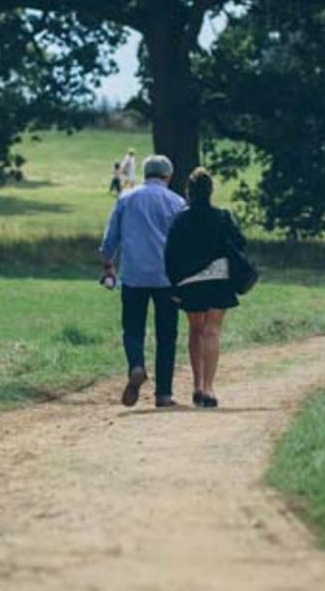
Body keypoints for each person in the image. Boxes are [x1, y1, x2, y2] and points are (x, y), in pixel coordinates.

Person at [99, 155, 186, 408]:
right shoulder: (177, 202)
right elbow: (182, 243)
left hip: (134, 275)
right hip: (167, 278)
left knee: (133, 328)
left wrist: (108, 265)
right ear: (167, 176)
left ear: (146, 174)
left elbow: (110, 238)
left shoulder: (125, 198)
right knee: (166, 335)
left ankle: (136, 365)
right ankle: (164, 394)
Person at [162, 168, 244, 409]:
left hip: (189, 283)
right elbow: (240, 242)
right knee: (212, 332)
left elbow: (170, 255)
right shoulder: (222, 217)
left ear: (188, 191)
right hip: (218, 281)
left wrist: (173, 285)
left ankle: (196, 385)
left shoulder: (180, 219)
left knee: (196, 330)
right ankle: (209, 388)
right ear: (210, 191)